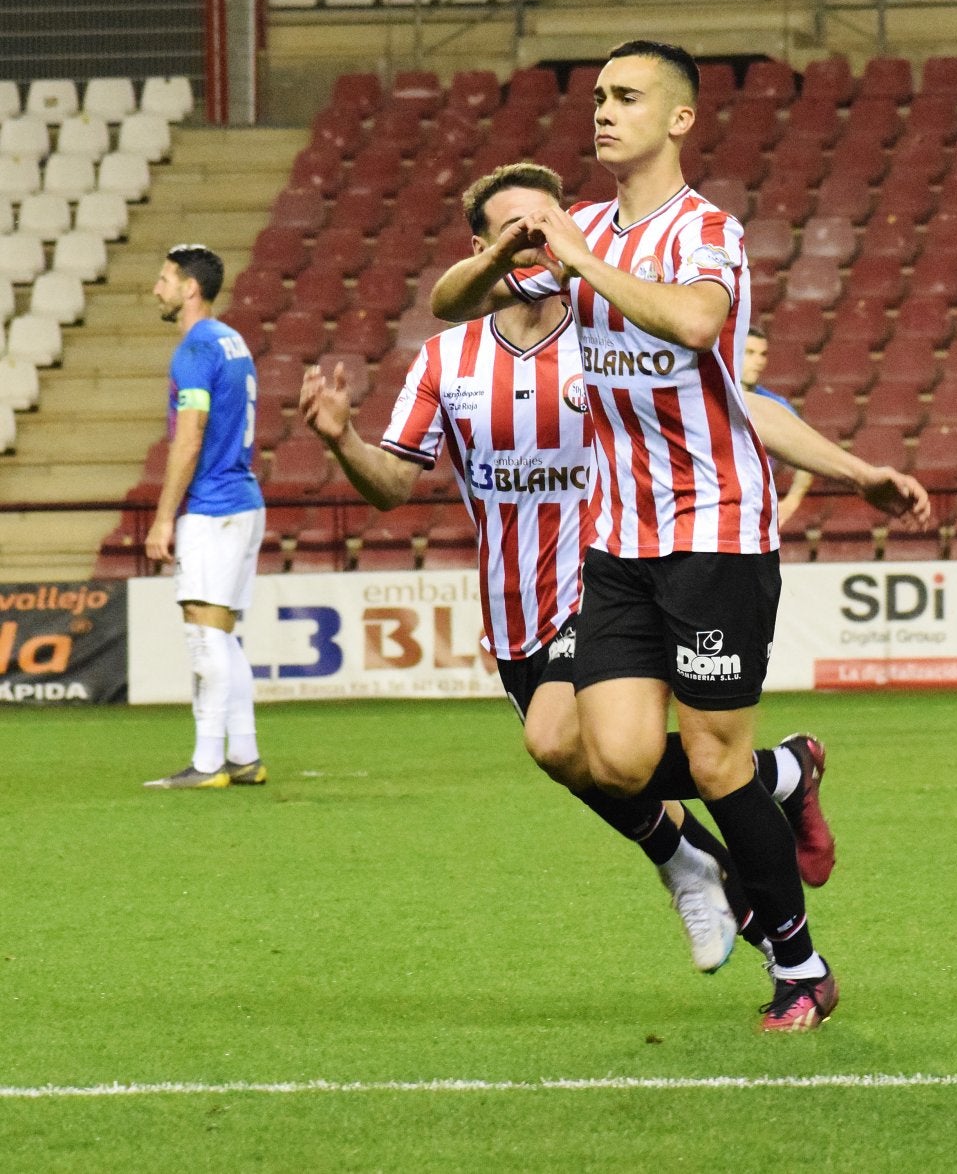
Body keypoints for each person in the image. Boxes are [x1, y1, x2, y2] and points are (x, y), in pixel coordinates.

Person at [431, 42, 930, 1030]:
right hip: (615, 542)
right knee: (601, 753)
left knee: (708, 760)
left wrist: (854, 471)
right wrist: (501, 257)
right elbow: (447, 305)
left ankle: (800, 967)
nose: (603, 111)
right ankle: (787, 774)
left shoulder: (705, 231)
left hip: (713, 534)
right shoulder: (579, 235)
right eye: (598, 97)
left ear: (679, 120)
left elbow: (700, 328)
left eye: (626, 97)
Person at [300, 162, 860, 979]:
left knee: (572, 744)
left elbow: (739, 406)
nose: (534, 240)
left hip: (610, 580)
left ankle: (731, 897)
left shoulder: (608, 329)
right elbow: (392, 485)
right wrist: (340, 440)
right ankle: (760, 793)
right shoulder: (446, 361)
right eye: (513, 229)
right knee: (587, 761)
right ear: (485, 246)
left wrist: (850, 468)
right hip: (514, 613)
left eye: (546, 222)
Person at [143, 244, 268, 791]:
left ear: (190, 287)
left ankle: (206, 762)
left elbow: (189, 436)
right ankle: (242, 755)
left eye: (165, 279)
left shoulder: (195, 348)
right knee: (223, 635)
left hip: (213, 507)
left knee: (203, 635)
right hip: (244, 501)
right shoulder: (232, 340)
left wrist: (164, 517)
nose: (157, 288)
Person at [741, 328, 811, 527]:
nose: (759, 361)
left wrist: (791, 501)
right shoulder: (710, 398)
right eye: (750, 353)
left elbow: (806, 455)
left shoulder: (776, 406)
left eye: (763, 354)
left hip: (756, 514)